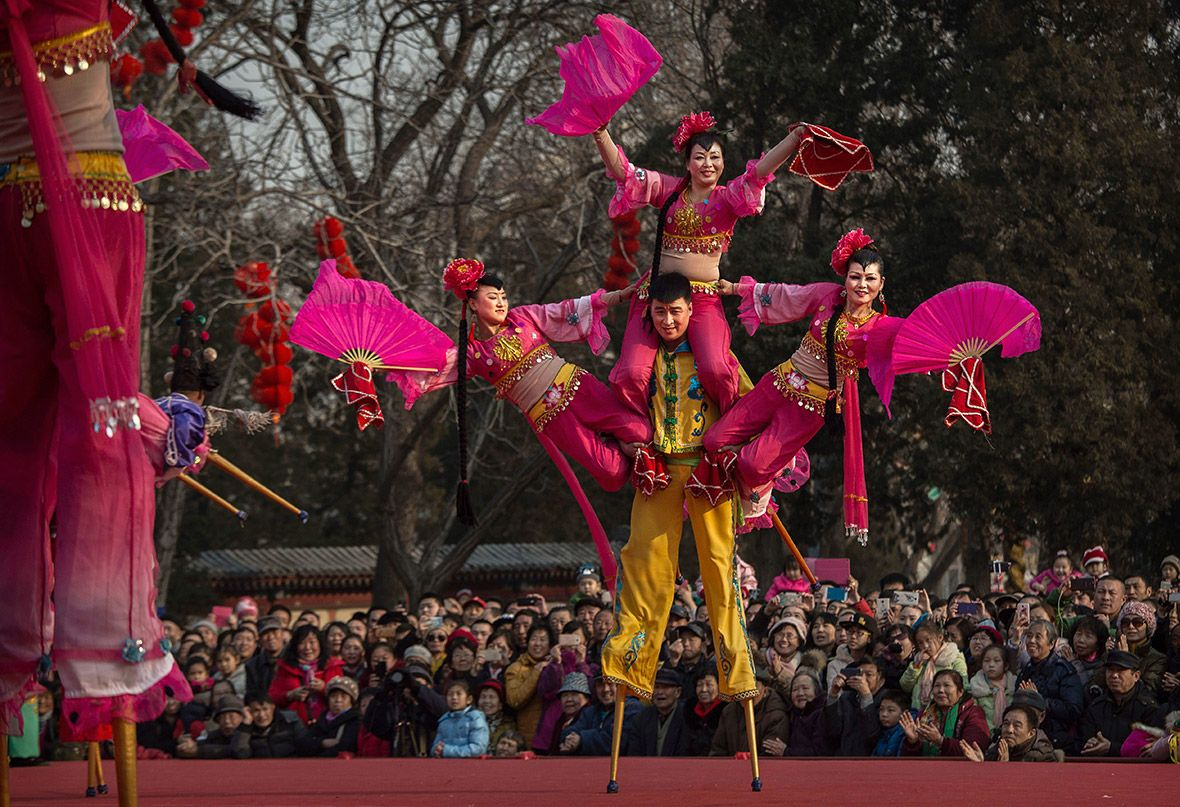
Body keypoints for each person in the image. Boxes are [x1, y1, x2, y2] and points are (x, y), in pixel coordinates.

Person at [385, 260, 649, 576]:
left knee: (641, 430)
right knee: (611, 473)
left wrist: (620, 295)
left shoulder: (523, 318)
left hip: (578, 387)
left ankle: (639, 455)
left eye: (503, 296)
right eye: (492, 297)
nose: (501, 302)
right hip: (552, 417)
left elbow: (566, 309)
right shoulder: (472, 354)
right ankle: (622, 448)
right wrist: (374, 364)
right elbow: (428, 364)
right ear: (471, 303)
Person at [602, 273, 757, 709]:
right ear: (650, 314)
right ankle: (631, 662)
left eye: (676, 311)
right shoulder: (642, 360)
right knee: (643, 563)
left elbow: (748, 407)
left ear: (691, 310)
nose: (668, 320)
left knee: (719, 568)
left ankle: (737, 670)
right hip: (659, 471)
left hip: (707, 474)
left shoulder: (717, 359)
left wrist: (741, 456)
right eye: (660, 312)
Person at [591, 113, 808, 416]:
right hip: (656, 299)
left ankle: (732, 430)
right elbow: (624, 173)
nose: (708, 164)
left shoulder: (729, 198)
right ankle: (637, 434)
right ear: (688, 163)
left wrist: (795, 138)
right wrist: (600, 132)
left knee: (717, 369)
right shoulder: (668, 190)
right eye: (700, 157)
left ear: (722, 162)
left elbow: (760, 171)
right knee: (631, 373)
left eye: (715, 157)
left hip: (702, 298)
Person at [704, 229, 891, 535]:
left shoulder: (880, 328)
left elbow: (911, 345)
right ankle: (765, 455)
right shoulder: (827, 296)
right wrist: (736, 287)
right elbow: (787, 295)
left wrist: (948, 358)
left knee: (752, 467)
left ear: (881, 284)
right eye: (856, 276)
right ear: (845, 278)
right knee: (713, 442)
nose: (862, 284)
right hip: (777, 383)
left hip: (809, 409)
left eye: (870, 279)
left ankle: (780, 461)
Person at [1074, 650, 1163, 756]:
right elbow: (1081, 739)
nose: (1114, 675)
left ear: (1136, 676)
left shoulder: (1149, 708)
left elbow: (1148, 748)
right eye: (1110, 670)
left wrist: (1112, 748)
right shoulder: (1096, 705)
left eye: (1120, 670)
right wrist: (1090, 743)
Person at [1013, 620, 1083, 748]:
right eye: (1029, 636)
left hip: (1056, 741)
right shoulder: (1025, 671)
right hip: (1027, 740)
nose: (1032, 641)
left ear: (1051, 644)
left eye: (1038, 637)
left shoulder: (1063, 670)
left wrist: (1038, 700)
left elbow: (1074, 710)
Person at [268, 623, 345, 725]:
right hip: (293, 726)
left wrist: (324, 688)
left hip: (328, 725)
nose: (307, 648)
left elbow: (344, 698)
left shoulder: (332, 667)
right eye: (302, 643)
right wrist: (289, 695)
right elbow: (272, 697)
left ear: (320, 644)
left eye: (312, 642)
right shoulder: (285, 668)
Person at [899, 669, 989, 757]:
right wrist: (913, 742)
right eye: (937, 686)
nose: (941, 690)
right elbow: (909, 758)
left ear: (960, 692)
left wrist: (941, 742)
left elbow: (974, 750)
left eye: (947, 685)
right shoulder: (924, 715)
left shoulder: (972, 713)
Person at [710, 669, 789, 756]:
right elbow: (718, 750)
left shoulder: (776, 715)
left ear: (765, 691)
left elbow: (770, 755)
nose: (747, 692)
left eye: (753, 687)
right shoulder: (729, 712)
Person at [900, 621, 969, 711]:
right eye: (920, 643)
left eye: (928, 640)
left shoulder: (953, 657)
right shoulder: (919, 661)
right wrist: (916, 666)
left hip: (945, 712)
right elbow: (905, 686)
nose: (925, 646)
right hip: (919, 712)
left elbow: (963, 685)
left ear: (940, 637)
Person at [505, 624, 555, 745]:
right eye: (533, 639)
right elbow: (514, 700)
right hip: (530, 736)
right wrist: (536, 672)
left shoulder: (557, 665)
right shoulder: (516, 668)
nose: (537, 644)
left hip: (554, 732)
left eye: (543, 640)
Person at [824, 659, 886, 756]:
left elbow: (872, 735)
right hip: (843, 758)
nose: (863, 679)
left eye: (869, 675)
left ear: (881, 681)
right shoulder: (846, 698)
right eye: (859, 674)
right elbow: (832, 731)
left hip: (871, 760)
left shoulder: (886, 701)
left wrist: (866, 696)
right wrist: (833, 695)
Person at [623, 668, 690, 757]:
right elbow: (634, 753)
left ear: (678, 692)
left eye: (665, 687)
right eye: (656, 687)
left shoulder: (688, 717)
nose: (660, 692)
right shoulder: (641, 719)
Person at [962, 703, 1058, 762]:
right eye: (1006, 724)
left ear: (1031, 733)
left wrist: (1006, 768)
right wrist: (981, 765)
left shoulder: (1043, 756)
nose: (1009, 730)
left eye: (1017, 726)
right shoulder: (996, 749)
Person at [766, 668, 830, 756]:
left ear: (816, 691)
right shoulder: (791, 714)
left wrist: (786, 752)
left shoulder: (823, 714)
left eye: (805, 688)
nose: (800, 693)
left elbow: (819, 752)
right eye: (795, 689)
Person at [297, 675, 361, 756]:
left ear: (351, 701)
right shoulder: (322, 719)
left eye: (343, 697)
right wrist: (322, 743)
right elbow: (304, 744)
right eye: (334, 696)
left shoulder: (355, 721)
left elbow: (345, 746)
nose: (338, 700)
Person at [176, 696, 251, 760]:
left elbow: (240, 752)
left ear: (242, 718)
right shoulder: (212, 736)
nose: (227, 721)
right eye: (222, 717)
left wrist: (199, 751)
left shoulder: (250, 735)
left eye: (232, 717)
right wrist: (186, 746)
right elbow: (195, 745)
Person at [1117, 601, 1166, 696]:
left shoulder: (1158, 659)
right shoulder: (1112, 652)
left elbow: (1147, 690)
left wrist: (1125, 660)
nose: (1131, 627)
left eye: (1137, 622)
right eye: (1125, 622)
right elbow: (1098, 683)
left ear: (1148, 627)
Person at [431, 680, 489, 758]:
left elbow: (478, 749)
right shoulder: (443, 721)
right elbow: (435, 747)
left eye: (459, 694)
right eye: (450, 694)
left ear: (469, 699)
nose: (454, 697)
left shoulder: (475, 719)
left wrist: (446, 751)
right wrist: (436, 750)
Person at [969, 644, 1016, 732]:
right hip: (984, 734)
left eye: (996, 661)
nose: (991, 665)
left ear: (1006, 666)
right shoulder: (976, 687)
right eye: (986, 661)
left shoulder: (1013, 686)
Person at [682, 662, 726, 756]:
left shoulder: (726, 711)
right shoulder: (688, 711)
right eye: (700, 685)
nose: (703, 689)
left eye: (709, 685)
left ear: (719, 686)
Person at [246, 694, 306, 759]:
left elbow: (307, 747)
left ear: (273, 707)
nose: (261, 715)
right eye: (256, 711)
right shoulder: (245, 729)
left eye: (265, 709)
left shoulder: (290, 722)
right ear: (249, 711)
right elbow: (240, 754)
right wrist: (245, 726)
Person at [245, 616, 285, 701]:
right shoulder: (252, 665)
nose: (270, 637)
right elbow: (252, 695)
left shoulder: (295, 659)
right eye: (265, 633)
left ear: (282, 634)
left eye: (274, 632)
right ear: (259, 639)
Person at [475, 681, 516, 750]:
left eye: (491, 697)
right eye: (483, 697)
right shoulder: (470, 722)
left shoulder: (509, 725)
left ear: (500, 705)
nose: (486, 701)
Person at [871, 690, 912, 757]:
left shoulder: (906, 733)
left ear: (904, 713)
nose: (884, 714)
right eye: (881, 709)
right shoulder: (882, 731)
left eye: (891, 710)